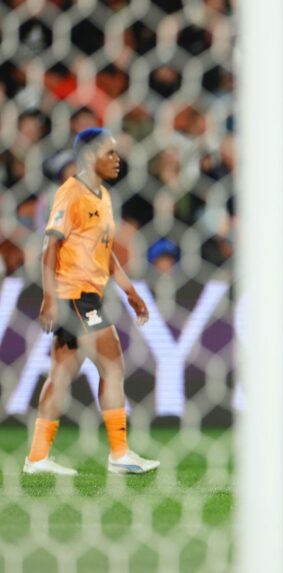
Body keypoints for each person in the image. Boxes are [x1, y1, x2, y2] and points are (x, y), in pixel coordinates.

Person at [26, 128, 159, 476]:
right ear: (89, 156)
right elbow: (49, 247)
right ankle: (119, 453)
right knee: (112, 363)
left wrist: (130, 291)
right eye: (109, 153)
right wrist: (49, 299)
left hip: (87, 294)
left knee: (62, 373)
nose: (117, 160)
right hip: (75, 295)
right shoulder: (71, 194)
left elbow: (106, 252)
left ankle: (38, 458)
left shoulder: (102, 195)